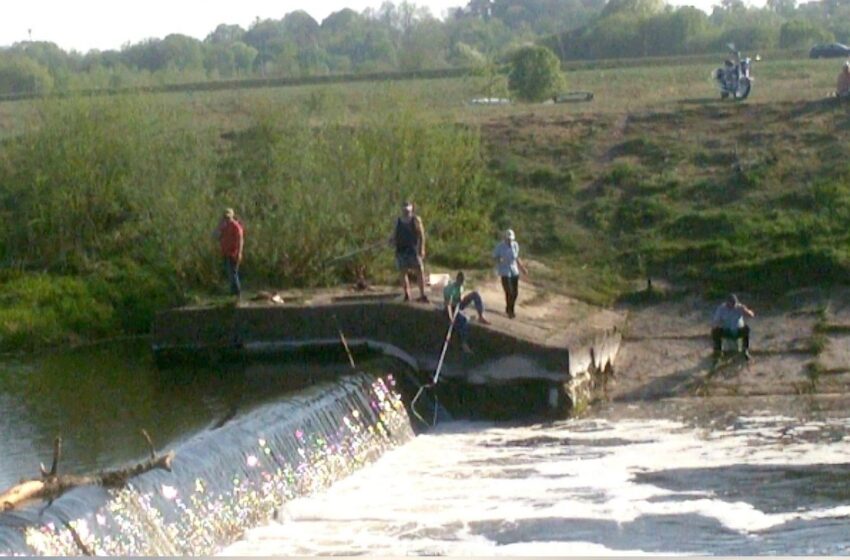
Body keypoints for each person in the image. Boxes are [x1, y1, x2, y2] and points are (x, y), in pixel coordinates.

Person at [443, 271, 490, 353]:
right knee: (464, 320)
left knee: (475, 294)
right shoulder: (451, 289)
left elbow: (461, 297)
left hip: (458, 304)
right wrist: (451, 318)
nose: (462, 283)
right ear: (458, 279)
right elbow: (448, 305)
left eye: (463, 281)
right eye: (461, 281)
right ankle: (463, 343)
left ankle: (481, 316)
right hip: (451, 308)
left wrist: (461, 300)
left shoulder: (461, 286)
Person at [391, 201, 428, 303]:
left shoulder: (416, 220)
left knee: (419, 271)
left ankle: (422, 294)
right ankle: (407, 294)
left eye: (408, 207)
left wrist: (422, 248)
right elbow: (394, 234)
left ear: (411, 208)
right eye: (404, 208)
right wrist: (392, 240)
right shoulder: (398, 221)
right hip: (401, 250)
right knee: (402, 272)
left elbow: (422, 235)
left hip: (413, 250)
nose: (406, 210)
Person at [492, 229, 528, 319]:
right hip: (504, 270)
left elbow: (516, 258)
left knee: (515, 293)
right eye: (508, 239)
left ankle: (510, 307)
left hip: (514, 270)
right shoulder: (500, 246)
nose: (509, 241)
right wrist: (499, 260)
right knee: (509, 291)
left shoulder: (515, 245)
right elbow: (494, 256)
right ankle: (510, 310)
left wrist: (522, 268)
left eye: (510, 239)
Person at [711, 293, 755, 360]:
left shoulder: (739, 307)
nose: (733, 305)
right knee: (715, 331)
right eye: (731, 303)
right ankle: (718, 351)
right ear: (727, 303)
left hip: (738, 330)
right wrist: (718, 324)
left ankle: (745, 350)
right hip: (727, 330)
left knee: (746, 329)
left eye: (734, 303)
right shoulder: (721, 309)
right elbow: (716, 321)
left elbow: (751, 315)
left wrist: (746, 311)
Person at [215, 208, 244, 298]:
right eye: (225, 217)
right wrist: (219, 226)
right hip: (225, 253)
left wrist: (239, 253)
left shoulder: (236, 227)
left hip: (233, 253)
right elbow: (215, 236)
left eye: (228, 217)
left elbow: (240, 241)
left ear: (232, 216)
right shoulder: (223, 226)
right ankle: (233, 292)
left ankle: (237, 293)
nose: (227, 219)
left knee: (233, 273)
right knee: (229, 273)